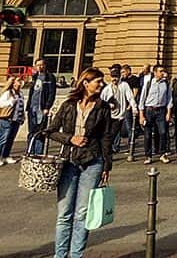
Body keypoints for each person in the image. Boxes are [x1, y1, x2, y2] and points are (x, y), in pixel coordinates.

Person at [46, 67, 111, 258]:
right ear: (85, 83)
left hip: (92, 161)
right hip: (68, 161)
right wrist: (70, 139)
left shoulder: (103, 107)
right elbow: (50, 131)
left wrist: (107, 165)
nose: (101, 84)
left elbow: (106, 138)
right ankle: (59, 255)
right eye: (97, 81)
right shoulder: (68, 105)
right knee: (64, 214)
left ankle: (76, 255)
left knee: (82, 213)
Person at [138, 64, 172, 164]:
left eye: (163, 71)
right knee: (147, 134)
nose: (163, 73)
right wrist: (141, 115)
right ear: (155, 72)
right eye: (160, 71)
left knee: (162, 132)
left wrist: (168, 113)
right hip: (149, 110)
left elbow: (169, 99)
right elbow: (142, 99)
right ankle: (148, 156)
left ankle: (162, 154)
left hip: (161, 110)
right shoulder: (148, 83)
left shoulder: (166, 83)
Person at [100, 65, 137, 155]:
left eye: (116, 77)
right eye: (113, 77)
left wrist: (134, 107)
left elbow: (130, 97)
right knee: (106, 134)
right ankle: (105, 151)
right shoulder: (107, 89)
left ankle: (107, 151)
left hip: (119, 116)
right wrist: (109, 104)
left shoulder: (124, 85)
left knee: (113, 134)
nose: (114, 79)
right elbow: (100, 101)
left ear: (119, 77)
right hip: (108, 115)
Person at [0, 75, 25, 166]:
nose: (20, 82)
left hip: (16, 119)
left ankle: (6, 156)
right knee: (3, 138)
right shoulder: (8, 93)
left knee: (11, 139)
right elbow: (0, 104)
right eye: (18, 81)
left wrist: (22, 117)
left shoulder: (20, 93)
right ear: (13, 83)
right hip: (7, 119)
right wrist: (11, 102)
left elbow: (21, 106)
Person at [26, 58, 57, 156]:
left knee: (40, 131)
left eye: (42, 65)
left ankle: (38, 153)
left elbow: (52, 93)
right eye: (38, 65)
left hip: (42, 108)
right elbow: (31, 93)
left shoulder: (50, 77)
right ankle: (30, 151)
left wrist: (47, 107)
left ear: (45, 65)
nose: (40, 66)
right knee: (31, 130)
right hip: (32, 108)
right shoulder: (34, 77)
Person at [120, 64, 140, 160]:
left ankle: (130, 147)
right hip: (121, 106)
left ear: (128, 71)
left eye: (123, 72)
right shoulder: (122, 80)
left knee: (129, 126)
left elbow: (135, 92)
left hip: (129, 106)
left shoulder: (134, 79)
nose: (122, 74)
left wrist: (130, 105)